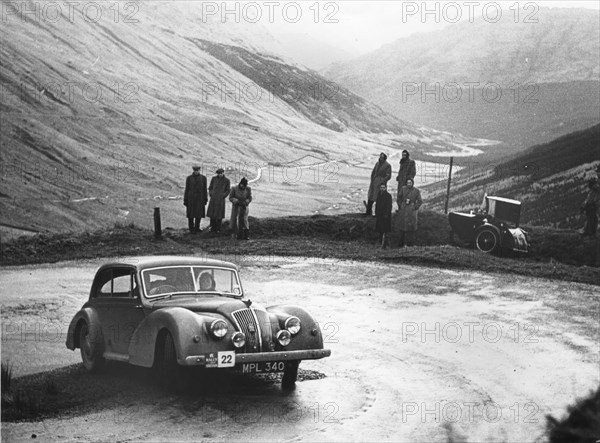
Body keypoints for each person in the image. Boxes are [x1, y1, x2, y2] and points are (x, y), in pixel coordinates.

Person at [398, 178, 422, 247]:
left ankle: (410, 244)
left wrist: (414, 207)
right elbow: (399, 198)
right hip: (404, 210)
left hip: (411, 212)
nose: (409, 184)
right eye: (408, 183)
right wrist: (401, 205)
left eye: (410, 183)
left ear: (412, 183)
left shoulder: (416, 191)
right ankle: (401, 244)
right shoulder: (403, 189)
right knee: (402, 227)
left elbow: (420, 201)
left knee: (411, 228)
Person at [183, 165, 208, 233]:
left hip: (200, 198)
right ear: (193, 171)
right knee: (191, 214)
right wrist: (185, 199)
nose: (196, 172)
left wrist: (205, 199)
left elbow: (204, 189)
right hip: (191, 198)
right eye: (195, 171)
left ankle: (197, 227)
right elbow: (187, 189)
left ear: (199, 170)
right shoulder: (189, 178)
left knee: (198, 214)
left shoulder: (203, 178)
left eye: (197, 170)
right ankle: (191, 228)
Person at [207, 168, 231, 233]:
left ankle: (218, 228)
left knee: (219, 214)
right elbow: (210, 187)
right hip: (213, 199)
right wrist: (211, 193)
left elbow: (228, 190)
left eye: (221, 173)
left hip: (221, 200)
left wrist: (223, 195)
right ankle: (212, 227)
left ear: (223, 173)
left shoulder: (227, 180)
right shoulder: (213, 178)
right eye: (218, 173)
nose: (219, 174)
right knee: (212, 214)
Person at [375, 183, 393, 248]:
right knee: (380, 229)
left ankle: (386, 243)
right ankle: (380, 241)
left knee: (385, 230)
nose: (382, 189)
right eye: (381, 187)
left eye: (383, 187)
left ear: (386, 188)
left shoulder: (388, 196)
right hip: (379, 215)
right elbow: (377, 205)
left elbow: (389, 206)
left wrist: (387, 214)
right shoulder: (379, 195)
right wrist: (376, 213)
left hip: (385, 216)